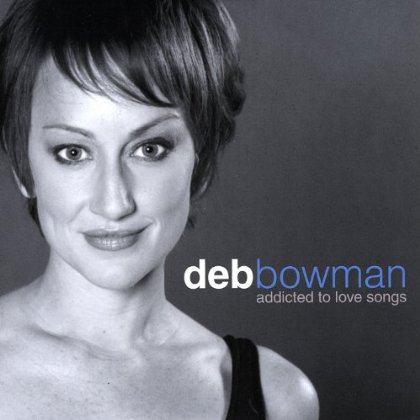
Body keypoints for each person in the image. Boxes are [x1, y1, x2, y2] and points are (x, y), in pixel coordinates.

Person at [0, 0, 319, 418]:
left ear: (201, 166)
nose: (114, 202)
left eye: (149, 149)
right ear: (24, 169)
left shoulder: (278, 398)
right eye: (73, 152)